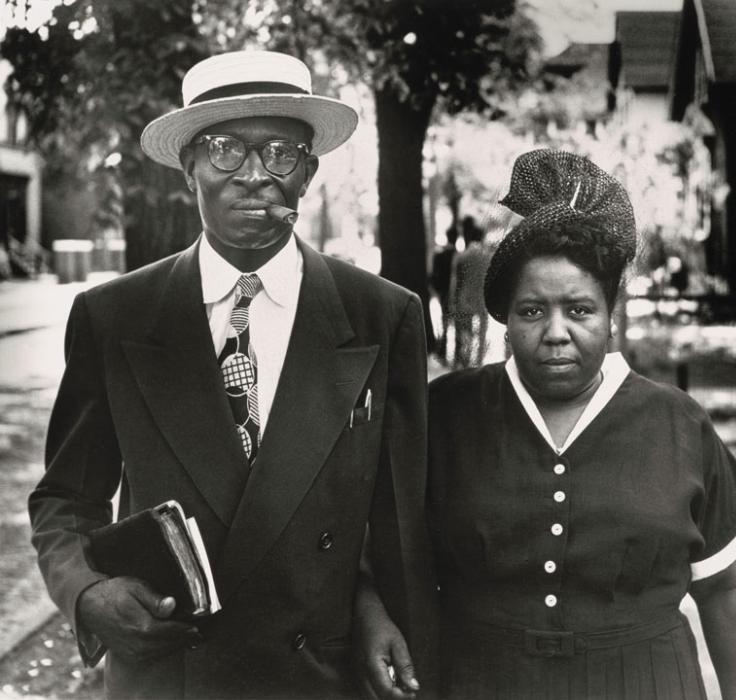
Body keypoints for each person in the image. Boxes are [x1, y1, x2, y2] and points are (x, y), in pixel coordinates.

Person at [29, 50, 436, 699]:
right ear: (188, 165)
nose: (253, 175)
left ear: (308, 171)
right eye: (224, 150)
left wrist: (374, 605)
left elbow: (397, 522)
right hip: (170, 671)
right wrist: (86, 592)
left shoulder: (383, 316)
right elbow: (66, 498)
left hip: (319, 674)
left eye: (280, 153)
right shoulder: (114, 317)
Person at [423, 150, 736, 698]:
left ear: (611, 317)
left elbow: (730, 591)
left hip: (646, 684)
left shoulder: (677, 423)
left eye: (580, 310)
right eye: (532, 310)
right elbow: (380, 555)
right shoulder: (447, 412)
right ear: (506, 322)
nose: (556, 332)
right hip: (481, 682)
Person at [449, 215, 490, 368]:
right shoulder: (488, 257)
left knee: (465, 333)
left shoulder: (462, 257)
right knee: (481, 334)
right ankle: (478, 362)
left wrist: (453, 301)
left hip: (464, 299)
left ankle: (464, 361)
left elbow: (455, 282)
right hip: (482, 299)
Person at [430, 223, 458, 363]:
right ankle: (457, 355)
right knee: (457, 324)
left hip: (443, 292)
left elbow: (433, 276)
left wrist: (436, 291)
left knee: (444, 322)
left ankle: (442, 352)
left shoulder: (439, 255)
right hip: (456, 294)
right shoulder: (458, 255)